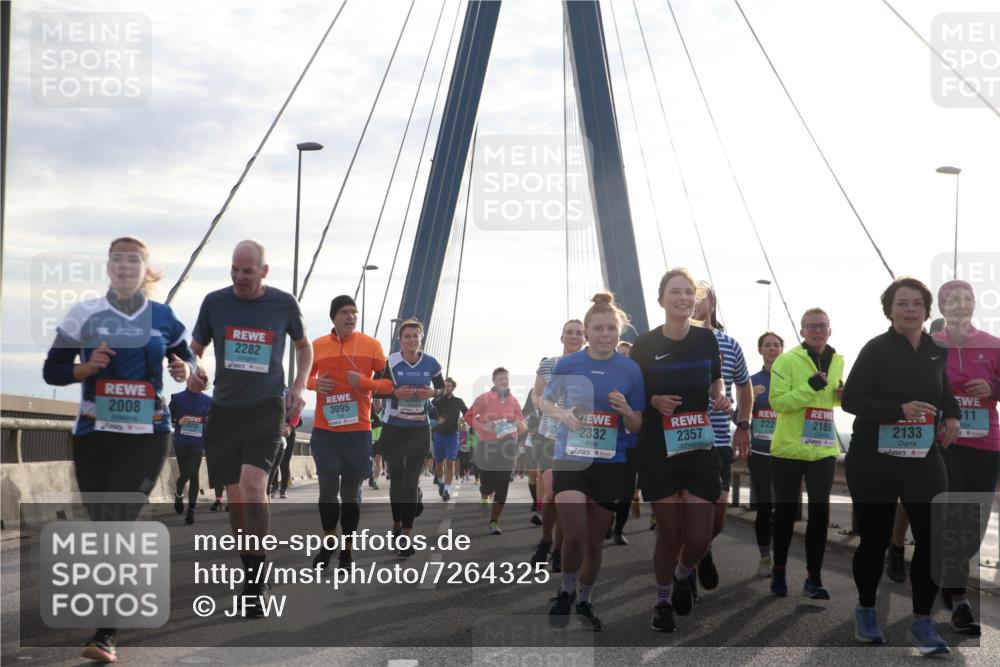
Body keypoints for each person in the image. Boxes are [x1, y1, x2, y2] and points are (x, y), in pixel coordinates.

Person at [43, 237, 195, 663]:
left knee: (118, 520)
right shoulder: (85, 314)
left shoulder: (164, 317)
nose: (125, 266)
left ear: (147, 269)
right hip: (94, 435)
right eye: (117, 260)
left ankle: (105, 633)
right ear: (109, 268)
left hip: (148, 434)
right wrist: (85, 368)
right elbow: (52, 369)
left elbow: (194, 366)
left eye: (134, 260)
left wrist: (186, 368)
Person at [189, 239, 311, 618]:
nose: (239, 277)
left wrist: (299, 385)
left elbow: (304, 348)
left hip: (266, 407)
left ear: (264, 271)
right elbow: (194, 348)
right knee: (236, 495)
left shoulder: (283, 304)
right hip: (224, 409)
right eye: (234, 269)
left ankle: (255, 585)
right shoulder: (214, 302)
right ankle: (252, 565)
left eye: (247, 270)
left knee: (255, 486)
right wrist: (194, 369)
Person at [841, 276, 960, 654]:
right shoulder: (876, 349)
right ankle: (866, 610)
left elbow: (943, 391)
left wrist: (953, 415)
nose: (910, 310)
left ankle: (922, 623)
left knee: (934, 538)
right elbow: (851, 400)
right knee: (874, 540)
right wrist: (899, 410)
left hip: (923, 456)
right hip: (874, 458)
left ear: (927, 311)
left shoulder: (936, 350)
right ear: (890, 310)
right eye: (902, 303)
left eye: (916, 304)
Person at [631, 268, 731, 633]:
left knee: (701, 537)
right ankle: (661, 601)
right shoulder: (644, 344)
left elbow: (716, 377)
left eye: (689, 292)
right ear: (661, 300)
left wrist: (719, 396)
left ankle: (683, 573)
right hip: (658, 447)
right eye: (676, 292)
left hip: (698, 443)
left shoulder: (707, 340)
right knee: (670, 533)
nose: (684, 298)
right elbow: (634, 395)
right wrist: (654, 400)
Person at [541, 293, 645, 631]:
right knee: (575, 533)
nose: (605, 334)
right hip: (570, 459)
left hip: (611, 462)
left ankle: (584, 598)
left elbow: (637, 424)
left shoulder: (630, 370)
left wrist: (627, 411)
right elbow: (545, 402)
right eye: (598, 328)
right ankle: (565, 590)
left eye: (611, 328)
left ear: (619, 331)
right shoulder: (569, 364)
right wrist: (563, 413)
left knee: (595, 541)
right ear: (586, 331)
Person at [932, 279, 1000, 635]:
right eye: (952, 300)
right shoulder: (930, 345)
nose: (960, 304)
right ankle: (960, 600)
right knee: (955, 518)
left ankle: (950, 576)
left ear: (974, 304)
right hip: (946, 444)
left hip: (986, 445)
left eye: (967, 299)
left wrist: (993, 388)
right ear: (942, 307)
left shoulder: (993, 345)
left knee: (973, 527)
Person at [306, 295, 392, 569]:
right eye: (344, 312)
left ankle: (347, 550)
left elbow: (390, 384)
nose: (350, 316)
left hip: (357, 431)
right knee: (328, 490)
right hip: (325, 429)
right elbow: (304, 378)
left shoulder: (372, 346)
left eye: (354, 312)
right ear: (334, 316)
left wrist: (366, 382)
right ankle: (329, 543)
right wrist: (314, 384)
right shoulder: (318, 346)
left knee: (351, 491)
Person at [768, 309, 843, 599]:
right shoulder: (786, 361)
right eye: (811, 326)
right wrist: (809, 386)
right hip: (789, 449)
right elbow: (779, 403)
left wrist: (840, 396)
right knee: (785, 514)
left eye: (823, 326)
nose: (818, 331)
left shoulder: (838, 360)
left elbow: (830, 402)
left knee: (820, 514)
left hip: (822, 448)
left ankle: (814, 577)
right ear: (802, 332)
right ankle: (779, 570)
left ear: (830, 330)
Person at [693, 282, 752, 594]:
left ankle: (701, 550)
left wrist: (743, 424)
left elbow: (744, 385)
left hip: (717, 441)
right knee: (684, 515)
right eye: (685, 294)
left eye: (699, 295)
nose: (692, 301)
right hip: (681, 442)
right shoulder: (666, 342)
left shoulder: (729, 344)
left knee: (715, 519)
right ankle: (683, 571)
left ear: (712, 302)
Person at [381, 319, 444, 554]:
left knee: (410, 480)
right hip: (394, 428)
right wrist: (394, 391)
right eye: (407, 336)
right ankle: (396, 524)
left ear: (421, 338)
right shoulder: (390, 362)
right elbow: (377, 389)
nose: (411, 340)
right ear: (400, 340)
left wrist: (432, 393)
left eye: (415, 336)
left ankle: (406, 535)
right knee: (397, 480)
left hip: (419, 428)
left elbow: (441, 389)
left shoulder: (431, 363)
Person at [529, 320, 585, 568]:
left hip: (577, 439)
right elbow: (536, 396)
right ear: (562, 337)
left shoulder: (591, 365)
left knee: (564, 496)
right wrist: (556, 411)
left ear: (584, 338)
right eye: (569, 332)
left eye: (578, 333)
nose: (574, 336)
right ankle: (545, 540)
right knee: (552, 493)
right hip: (549, 435)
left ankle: (560, 550)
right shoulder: (549, 363)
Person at [465, 367, 527, 534]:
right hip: (487, 445)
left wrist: (520, 425)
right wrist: (483, 425)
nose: (504, 382)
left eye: (506, 379)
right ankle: (484, 494)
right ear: (494, 381)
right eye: (501, 379)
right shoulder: (484, 399)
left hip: (508, 445)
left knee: (503, 482)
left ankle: (494, 521)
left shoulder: (513, 401)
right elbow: (468, 417)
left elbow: (522, 421)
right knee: (487, 483)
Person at [748, 331, 783, 576]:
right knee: (764, 505)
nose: (772, 349)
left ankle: (780, 559)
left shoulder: (790, 379)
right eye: (767, 345)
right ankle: (764, 557)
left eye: (776, 345)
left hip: (785, 452)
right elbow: (737, 415)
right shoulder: (751, 381)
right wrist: (750, 398)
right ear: (760, 350)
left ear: (782, 349)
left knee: (782, 508)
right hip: (759, 452)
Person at [170, 376, 212, 524]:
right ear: (188, 382)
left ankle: (191, 510)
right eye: (192, 380)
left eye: (198, 380)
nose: (194, 382)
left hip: (198, 444)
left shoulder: (208, 401)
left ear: (204, 384)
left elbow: (214, 420)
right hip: (181, 443)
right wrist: (177, 421)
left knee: (194, 474)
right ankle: (179, 493)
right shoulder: (177, 398)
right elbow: (168, 417)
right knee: (184, 475)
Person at [431, 377, 468, 501]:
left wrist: (471, 420)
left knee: (450, 463)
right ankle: (441, 482)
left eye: (449, 386)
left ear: (453, 388)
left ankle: (446, 490)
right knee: (438, 465)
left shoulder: (458, 401)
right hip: (438, 436)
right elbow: (428, 414)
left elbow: (467, 413)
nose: (446, 388)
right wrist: (436, 419)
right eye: (445, 386)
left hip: (453, 436)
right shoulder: (435, 401)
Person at [268, 411, 300, 499]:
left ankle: (283, 489)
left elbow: (297, 412)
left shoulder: (291, 397)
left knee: (285, 463)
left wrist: (290, 426)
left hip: (288, 432)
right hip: (275, 430)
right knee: (275, 462)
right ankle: (274, 487)